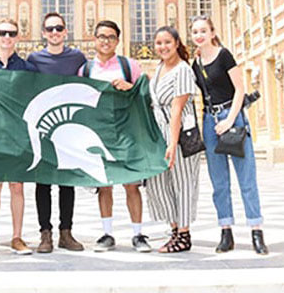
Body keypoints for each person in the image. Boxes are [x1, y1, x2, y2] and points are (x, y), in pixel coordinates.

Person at [191, 15, 268, 255]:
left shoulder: (224, 55)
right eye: (195, 32)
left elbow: (239, 90)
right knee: (219, 182)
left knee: (246, 178)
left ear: (212, 33)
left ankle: (256, 231)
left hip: (231, 119)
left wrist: (229, 120)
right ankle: (226, 231)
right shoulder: (195, 64)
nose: (199, 35)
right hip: (210, 122)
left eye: (203, 30)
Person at [78, 20, 151, 253]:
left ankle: (138, 234)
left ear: (117, 41)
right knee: (105, 185)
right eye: (101, 36)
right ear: (95, 40)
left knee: (131, 184)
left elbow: (145, 92)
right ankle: (107, 233)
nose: (106, 41)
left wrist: (130, 86)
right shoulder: (85, 70)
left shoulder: (129, 65)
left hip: (127, 131)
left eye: (110, 37)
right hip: (101, 133)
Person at [27, 12, 86, 253]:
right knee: (42, 183)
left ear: (65, 32)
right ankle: (45, 234)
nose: (54, 33)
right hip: (43, 128)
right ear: (43, 33)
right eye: (50, 29)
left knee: (67, 182)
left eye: (58, 28)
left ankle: (66, 232)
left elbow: (88, 85)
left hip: (67, 129)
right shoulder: (34, 59)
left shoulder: (77, 58)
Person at [0, 19, 37, 256]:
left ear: (18, 37)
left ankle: (17, 237)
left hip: (18, 136)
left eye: (11, 33)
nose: (7, 37)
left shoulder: (27, 69)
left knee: (17, 187)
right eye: (2, 32)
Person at [146, 26, 201, 253]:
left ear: (177, 43)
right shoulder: (159, 69)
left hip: (180, 137)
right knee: (158, 184)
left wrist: (172, 142)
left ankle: (184, 234)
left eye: (167, 42)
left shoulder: (183, 70)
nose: (163, 47)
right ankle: (175, 228)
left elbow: (177, 109)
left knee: (183, 183)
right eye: (159, 43)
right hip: (160, 135)